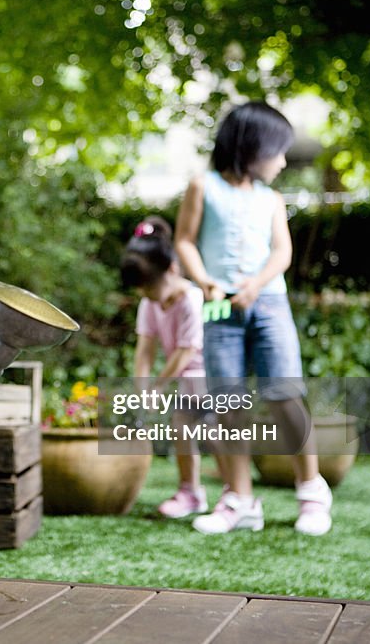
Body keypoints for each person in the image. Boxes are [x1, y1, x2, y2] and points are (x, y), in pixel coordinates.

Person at [174, 101, 333, 535]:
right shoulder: (202, 187)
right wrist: (205, 281)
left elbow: (282, 252)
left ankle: (312, 492)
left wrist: (254, 285)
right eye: (277, 152)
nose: (282, 161)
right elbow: (185, 241)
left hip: (268, 305)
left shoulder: (271, 200)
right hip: (220, 309)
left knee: (284, 395)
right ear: (251, 148)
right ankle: (240, 500)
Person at [121, 216, 221, 519]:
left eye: (150, 286)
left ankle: (234, 490)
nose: (146, 294)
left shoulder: (191, 299)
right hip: (187, 378)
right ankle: (191, 492)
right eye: (142, 289)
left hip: (206, 374)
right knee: (183, 431)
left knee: (215, 435)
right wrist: (142, 388)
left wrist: (159, 385)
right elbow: (145, 350)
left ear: (172, 270)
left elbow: (186, 350)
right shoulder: (150, 304)